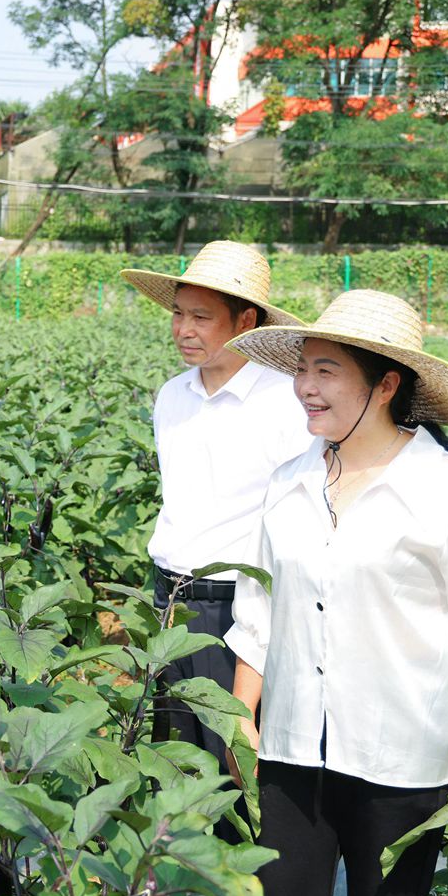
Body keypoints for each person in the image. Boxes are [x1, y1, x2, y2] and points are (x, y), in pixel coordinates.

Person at [224, 289, 448, 896]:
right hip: (294, 747)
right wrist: (242, 718)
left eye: (326, 370)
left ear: (386, 383)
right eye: (302, 369)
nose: (305, 387)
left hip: (402, 757)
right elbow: (258, 607)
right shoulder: (289, 482)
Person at [120, 242, 308, 779]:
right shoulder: (171, 395)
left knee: (237, 768)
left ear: (246, 321)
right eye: (179, 313)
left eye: (202, 317)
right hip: (169, 600)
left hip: (237, 611)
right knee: (175, 763)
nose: (184, 329)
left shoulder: (285, 404)